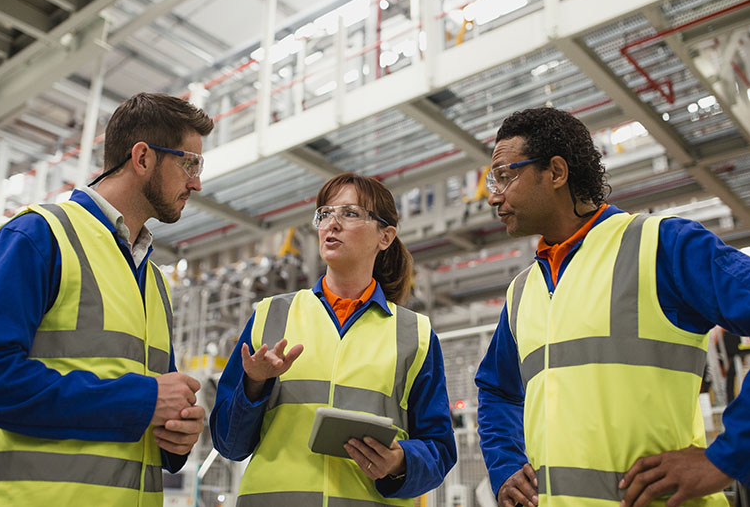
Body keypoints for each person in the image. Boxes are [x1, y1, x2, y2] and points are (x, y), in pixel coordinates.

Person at [474, 106, 750, 507]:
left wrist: (725, 458)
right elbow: (496, 390)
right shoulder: (522, 291)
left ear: (555, 172)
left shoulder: (660, 246)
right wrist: (505, 468)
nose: (493, 196)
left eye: (505, 175)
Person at [0, 92, 214, 506]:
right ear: (142, 158)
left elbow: (156, 408)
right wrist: (140, 400)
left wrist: (176, 437)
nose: (196, 182)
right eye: (188, 163)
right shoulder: (39, 237)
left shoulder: (155, 284)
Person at [210, 172, 457, 506]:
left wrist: (401, 461)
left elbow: (440, 449)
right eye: (325, 214)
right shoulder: (271, 317)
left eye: (350, 213)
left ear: (385, 237)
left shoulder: (415, 335)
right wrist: (253, 386)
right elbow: (229, 444)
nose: (332, 224)